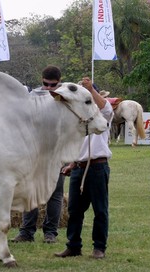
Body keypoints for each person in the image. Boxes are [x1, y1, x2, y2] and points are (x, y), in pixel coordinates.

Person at [55, 76, 113, 260]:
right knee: (74, 210)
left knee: (100, 210)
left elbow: (106, 107)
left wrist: (91, 90)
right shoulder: (79, 119)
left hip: (97, 167)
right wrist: (72, 164)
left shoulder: (102, 115)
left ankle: (99, 248)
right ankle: (73, 246)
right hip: (79, 168)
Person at [12, 65, 65, 244]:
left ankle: (50, 233)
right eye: (45, 84)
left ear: (60, 82)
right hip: (34, 153)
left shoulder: (67, 97)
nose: (49, 88)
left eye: (53, 85)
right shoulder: (32, 97)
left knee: (55, 194)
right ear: (41, 79)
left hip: (56, 153)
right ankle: (26, 232)